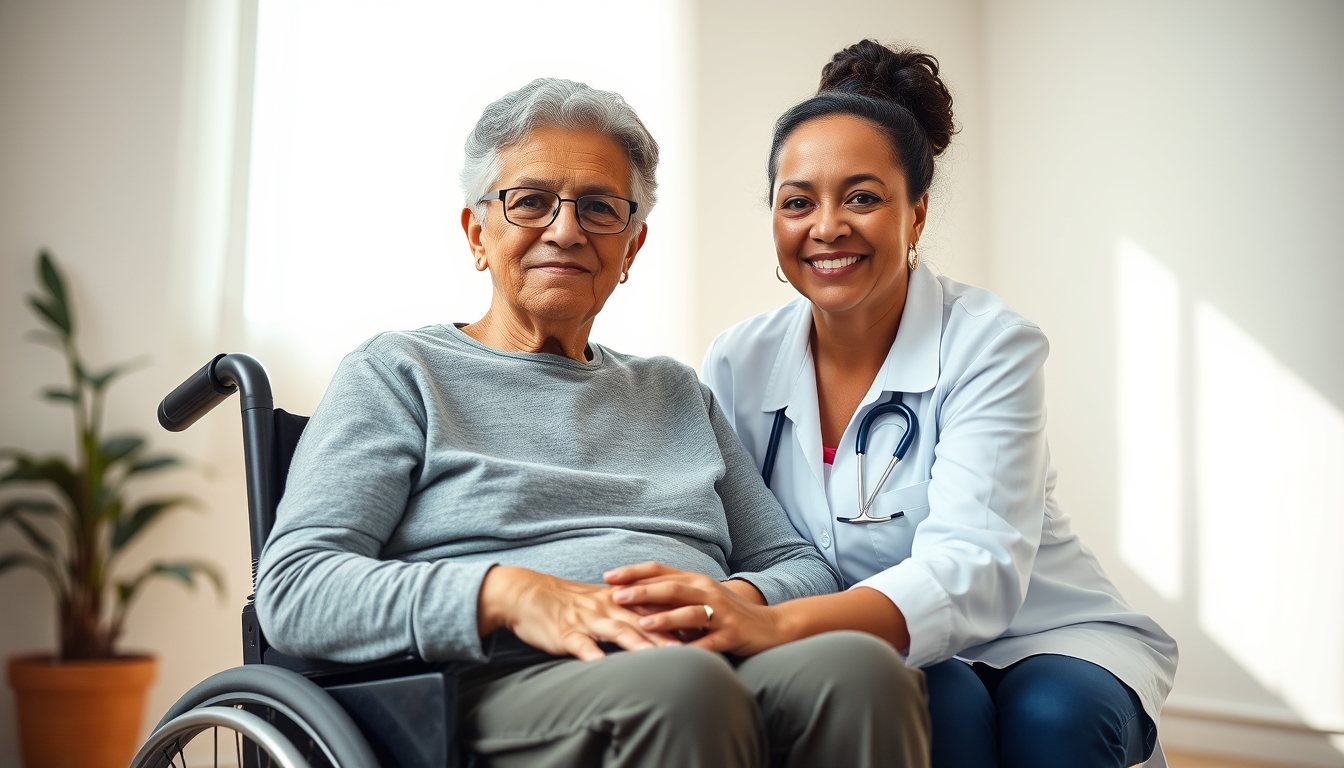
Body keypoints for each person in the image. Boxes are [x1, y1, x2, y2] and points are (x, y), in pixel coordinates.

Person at [255, 77, 930, 768]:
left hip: (691, 662)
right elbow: (297, 587)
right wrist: (504, 592)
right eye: (531, 202)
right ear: (477, 233)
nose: (566, 229)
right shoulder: (400, 373)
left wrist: (731, 599)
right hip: (493, 683)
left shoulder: (674, 393)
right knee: (685, 688)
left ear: (631, 248)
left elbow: (800, 565)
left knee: (863, 671)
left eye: (600, 209)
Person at [604, 41, 1178, 768]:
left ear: (917, 214)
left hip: (1041, 630)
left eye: (863, 197)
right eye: (798, 202)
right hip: (868, 645)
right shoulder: (736, 361)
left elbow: (975, 566)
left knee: (1053, 718)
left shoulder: (990, 344)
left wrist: (772, 625)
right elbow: (735, 535)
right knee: (934, 705)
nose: (827, 226)